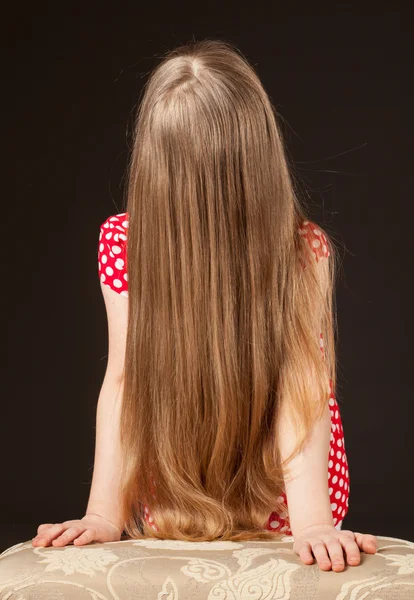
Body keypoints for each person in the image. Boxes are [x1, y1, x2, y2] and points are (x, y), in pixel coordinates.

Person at [32, 39, 378, 571]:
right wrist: (102, 514)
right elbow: (126, 381)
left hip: (277, 500)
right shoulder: (124, 243)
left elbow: (299, 385)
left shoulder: (301, 252)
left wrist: (312, 522)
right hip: (173, 500)